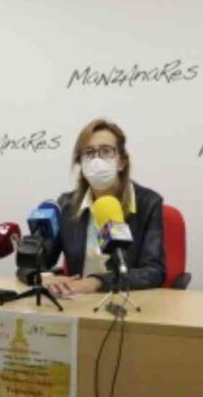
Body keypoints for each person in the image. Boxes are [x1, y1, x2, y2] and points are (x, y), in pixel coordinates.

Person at [43, 119, 165, 296]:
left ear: (122, 161)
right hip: (75, 303)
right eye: (89, 152)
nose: (96, 159)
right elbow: (31, 265)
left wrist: (96, 282)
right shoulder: (66, 205)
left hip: (128, 303)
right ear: (81, 163)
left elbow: (153, 272)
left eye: (106, 151)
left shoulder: (148, 203)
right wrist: (44, 277)